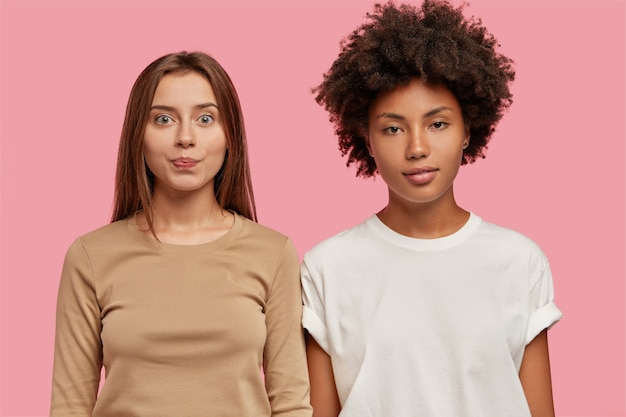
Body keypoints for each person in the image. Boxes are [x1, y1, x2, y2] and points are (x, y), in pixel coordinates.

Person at [301, 1, 562, 416]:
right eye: (392, 128)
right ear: (367, 141)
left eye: (437, 123)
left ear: (467, 130)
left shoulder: (519, 261)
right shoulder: (326, 268)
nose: (417, 148)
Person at [50, 51, 312, 417]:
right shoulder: (90, 256)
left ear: (230, 136)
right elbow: (70, 408)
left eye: (206, 119)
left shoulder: (273, 252)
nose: (185, 137)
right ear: (137, 135)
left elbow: (291, 404)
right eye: (163, 119)